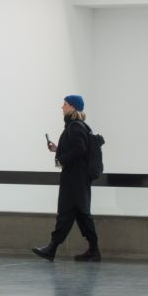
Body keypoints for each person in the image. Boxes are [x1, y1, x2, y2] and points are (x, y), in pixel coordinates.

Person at [32, 95, 102, 262]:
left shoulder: (74, 127)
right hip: (78, 179)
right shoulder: (79, 126)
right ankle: (93, 251)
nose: (62, 107)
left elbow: (80, 149)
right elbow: (77, 149)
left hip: (74, 180)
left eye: (65, 104)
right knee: (81, 216)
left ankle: (52, 249)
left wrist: (62, 159)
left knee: (67, 213)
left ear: (72, 107)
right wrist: (58, 150)